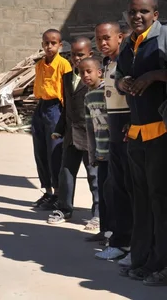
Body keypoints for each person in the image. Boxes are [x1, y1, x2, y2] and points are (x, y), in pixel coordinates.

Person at [115, 0, 167, 286]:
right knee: (142, 201)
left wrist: (157, 75)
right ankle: (143, 260)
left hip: (160, 133)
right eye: (133, 12)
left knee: (161, 202)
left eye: (144, 12)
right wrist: (121, 82)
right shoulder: (128, 44)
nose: (137, 16)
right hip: (136, 134)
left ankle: (162, 265)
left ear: (155, 15)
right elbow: (120, 76)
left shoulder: (163, 38)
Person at [46, 38, 100, 233]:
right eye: (72, 55)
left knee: (94, 176)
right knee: (66, 173)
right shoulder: (67, 77)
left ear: (90, 55)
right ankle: (64, 208)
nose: (76, 59)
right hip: (70, 134)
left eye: (80, 55)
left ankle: (98, 213)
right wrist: (59, 129)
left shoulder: (94, 80)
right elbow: (67, 107)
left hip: (89, 135)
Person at [94, 22, 133, 263]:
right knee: (115, 188)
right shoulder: (108, 64)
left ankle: (131, 244)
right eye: (98, 39)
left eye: (107, 38)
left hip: (130, 130)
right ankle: (119, 241)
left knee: (131, 190)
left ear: (120, 37)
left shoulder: (127, 63)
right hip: (114, 132)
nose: (102, 43)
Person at [31, 29, 72, 208]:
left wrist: (66, 117)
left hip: (56, 108)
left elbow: (68, 92)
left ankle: (57, 192)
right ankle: (47, 190)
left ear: (60, 45)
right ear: (42, 45)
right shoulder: (39, 65)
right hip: (41, 107)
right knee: (40, 150)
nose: (49, 46)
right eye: (46, 43)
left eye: (53, 43)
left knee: (54, 151)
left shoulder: (64, 65)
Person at [80, 58, 112, 246]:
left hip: (113, 150)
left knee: (113, 194)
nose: (85, 76)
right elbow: (90, 127)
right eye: (81, 72)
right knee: (103, 192)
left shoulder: (108, 91)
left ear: (99, 72)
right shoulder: (88, 97)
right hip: (100, 152)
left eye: (88, 71)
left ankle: (114, 234)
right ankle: (104, 230)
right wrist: (92, 154)